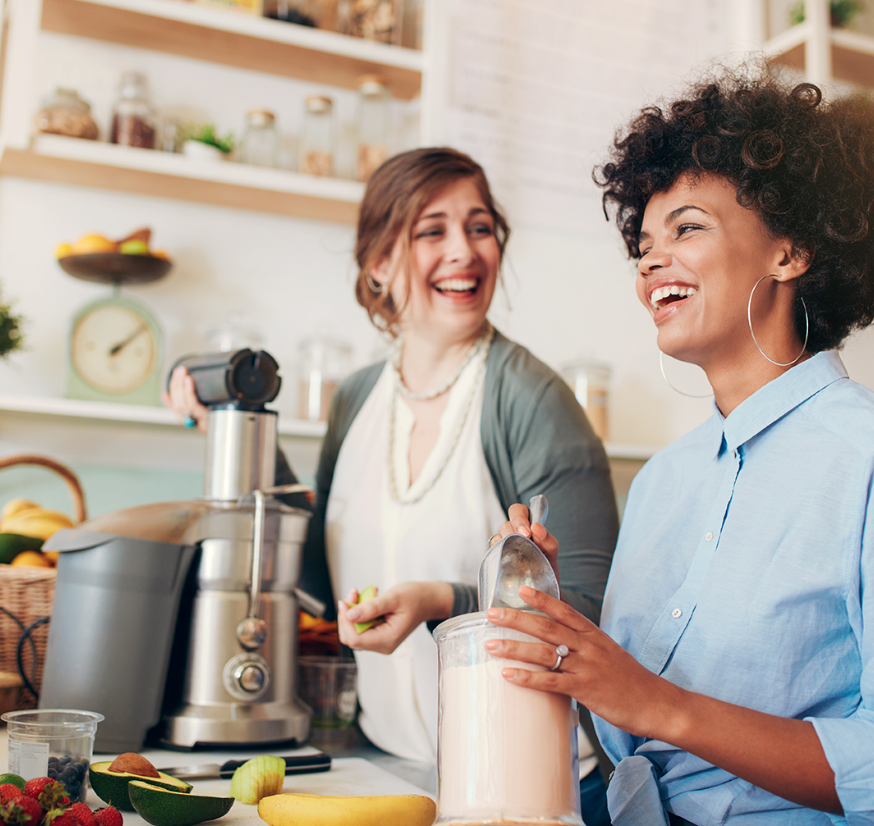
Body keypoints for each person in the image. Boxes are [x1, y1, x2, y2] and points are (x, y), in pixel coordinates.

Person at [482, 69, 874, 826]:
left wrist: (661, 705)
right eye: (644, 245)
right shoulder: (661, 483)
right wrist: (549, 607)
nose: (651, 262)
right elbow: (625, 733)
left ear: (791, 251)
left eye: (686, 228)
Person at [164, 147, 619, 823]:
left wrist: (444, 600)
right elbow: (320, 575)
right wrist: (231, 425)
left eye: (480, 227)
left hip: (536, 786)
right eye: (431, 231)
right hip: (392, 766)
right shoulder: (357, 399)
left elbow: (594, 610)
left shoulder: (532, 401)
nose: (463, 251)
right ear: (378, 263)